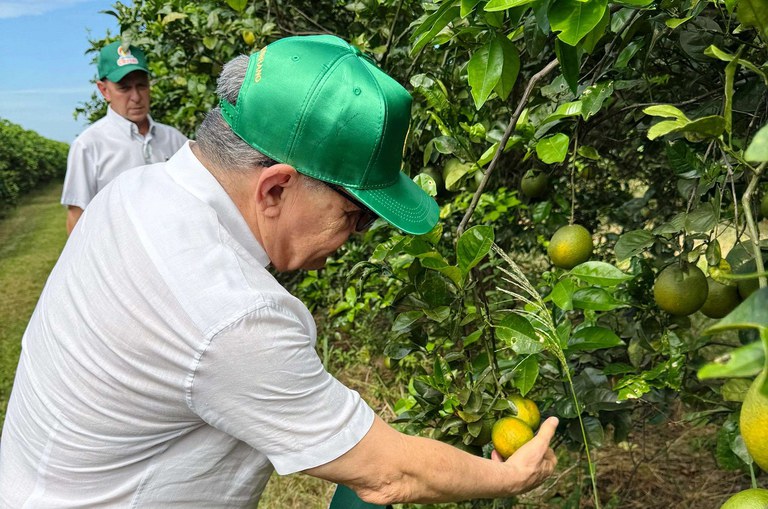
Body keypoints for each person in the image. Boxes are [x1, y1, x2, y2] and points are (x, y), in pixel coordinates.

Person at [0, 35, 557, 507]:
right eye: (355, 217)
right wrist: (511, 477)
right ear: (275, 187)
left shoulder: (134, 192)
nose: (354, 238)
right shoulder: (231, 315)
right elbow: (392, 472)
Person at [61, 40, 188, 234]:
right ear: (104, 90)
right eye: (124, 88)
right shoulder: (88, 145)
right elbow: (77, 215)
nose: (136, 97)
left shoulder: (174, 139)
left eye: (141, 86)